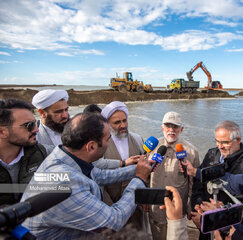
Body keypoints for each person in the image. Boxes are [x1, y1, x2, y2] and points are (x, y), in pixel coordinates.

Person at [21, 113, 152, 239]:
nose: (110, 142)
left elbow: (100, 175)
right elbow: (113, 222)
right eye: (108, 139)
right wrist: (139, 179)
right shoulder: (64, 182)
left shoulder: (63, 156)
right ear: (91, 146)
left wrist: (137, 169)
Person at [190, 121, 243, 239]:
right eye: (217, 141)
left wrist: (210, 220)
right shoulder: (212, 153)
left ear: (238, 140)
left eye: (225, 142)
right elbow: (199, 183)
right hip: (203, 220)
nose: (220, 146)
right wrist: (197, 207)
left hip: (225, 232)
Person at [148, 111, 200, 240]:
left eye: (175, 126)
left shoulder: (191, 151)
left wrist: (190, 206)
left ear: (181, 129)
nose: (171, 130)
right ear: (162, 128)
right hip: (155, 208)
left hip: (178, 208)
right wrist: (145, 200)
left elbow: (194, 182)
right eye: (168, 126)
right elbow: (145, 176)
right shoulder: (152, 149)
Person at [100, 101, 146, 230]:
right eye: (117, 122)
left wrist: (145, 195)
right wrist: (107, 206)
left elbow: (145, 169)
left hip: (136, 202)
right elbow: (98, 175)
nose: (123, 125)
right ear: (107, 124)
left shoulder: (137, 139)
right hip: (110, 205)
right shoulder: (101, 145)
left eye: (124, 120)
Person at [0, 99, 47, 206]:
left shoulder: (39, 153)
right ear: (2, 132)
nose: (36, 130)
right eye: (29, 125)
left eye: (35, 123)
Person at [32, 89, 70, 154]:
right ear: (42, 113)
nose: (65, 115)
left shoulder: (77, 128)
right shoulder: (34, 137)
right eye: (58, 112)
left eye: (66, 110)